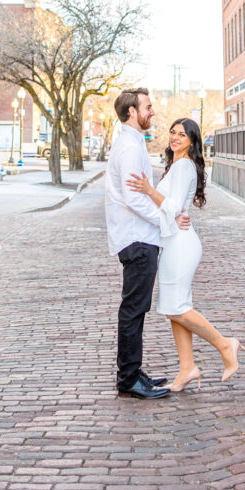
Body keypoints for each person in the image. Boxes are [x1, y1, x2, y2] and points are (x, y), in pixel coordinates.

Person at [127, 117, 245, 392]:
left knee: (178, 307)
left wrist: (148, 190)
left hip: (180, 245)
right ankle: (187, 369)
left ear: (192, 140)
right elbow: (174, 210)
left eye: (182, 134)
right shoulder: (176, 165)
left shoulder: (183, 166)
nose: (175, 137)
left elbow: (173, 205)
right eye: (172, 132)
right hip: (174, 241)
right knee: (174, 308)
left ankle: (225, 344)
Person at [104, 88, 191, 400]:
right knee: (133, 309)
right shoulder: (129, 147)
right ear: (132, 112)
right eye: (148, 107)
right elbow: (133, 198)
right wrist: (164, 220)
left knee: (136, 310)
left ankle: (133, 371)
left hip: (140, 237)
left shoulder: (132, 142)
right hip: (137, 238)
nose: (152, 112)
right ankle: (127, 379)